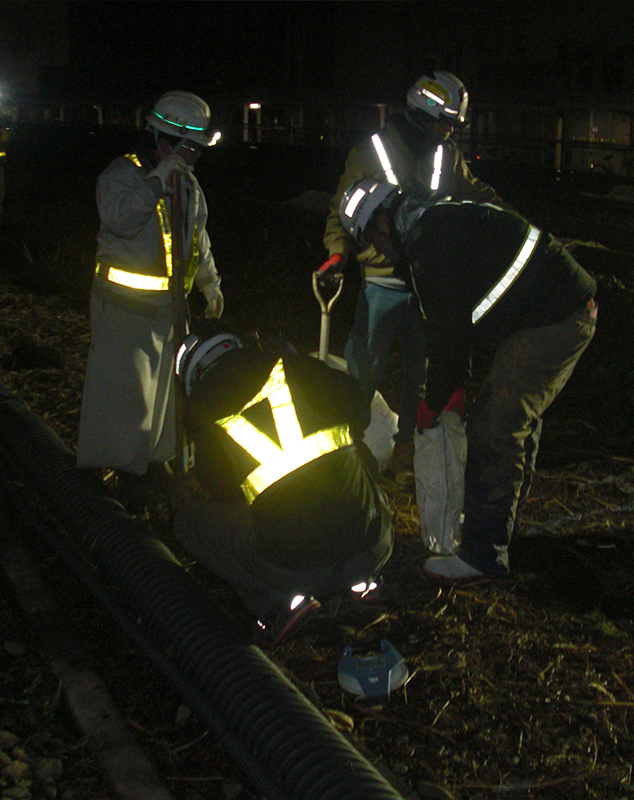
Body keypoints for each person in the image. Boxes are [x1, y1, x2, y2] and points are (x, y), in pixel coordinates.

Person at [338, 178, 597, 580]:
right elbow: (456, 315)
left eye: (371, 238)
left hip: (554, 318)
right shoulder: (432, 224)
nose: (377, 250)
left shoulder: (430, 242)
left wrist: (433, 402)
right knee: (512, 420)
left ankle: (483, 554)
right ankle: (499, 526)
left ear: (383, 222)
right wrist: (453, 385)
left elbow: (449, 334)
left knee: (494, 428)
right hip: (551, 311)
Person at [319, 71, 508, 480]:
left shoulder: (447, 155)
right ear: (421, 114)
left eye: (452, 125)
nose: (448, 132)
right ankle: (347, 449)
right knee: (363, 372)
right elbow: (340, 211)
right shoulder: (371, 151)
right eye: (443, 123)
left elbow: (476, 193)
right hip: (381, 283)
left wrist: (513, 220)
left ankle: (406, 449)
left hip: (427, 287)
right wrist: (337, 256)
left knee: (421, 376)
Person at [171, 327, 393, 645]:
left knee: (187, 523)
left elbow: (223, 493)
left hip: (297, 571)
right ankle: (364, 582)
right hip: (372, 547)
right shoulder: (293, 365)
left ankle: (277, 604)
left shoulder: (204, 416)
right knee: (358, 451)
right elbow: (358, 409)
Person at [76, 91, 225, 494]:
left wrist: (210, 284)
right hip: (123, 308)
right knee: (125, 395)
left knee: (162, 396)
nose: (197, 155)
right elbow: (119, 219)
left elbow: (197, 238)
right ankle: (120, 471)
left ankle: (153, 462)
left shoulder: (189, 185)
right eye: (191, 146)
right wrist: (156, 183)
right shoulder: (122, 175)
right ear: (164, 142)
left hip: (168, 309)